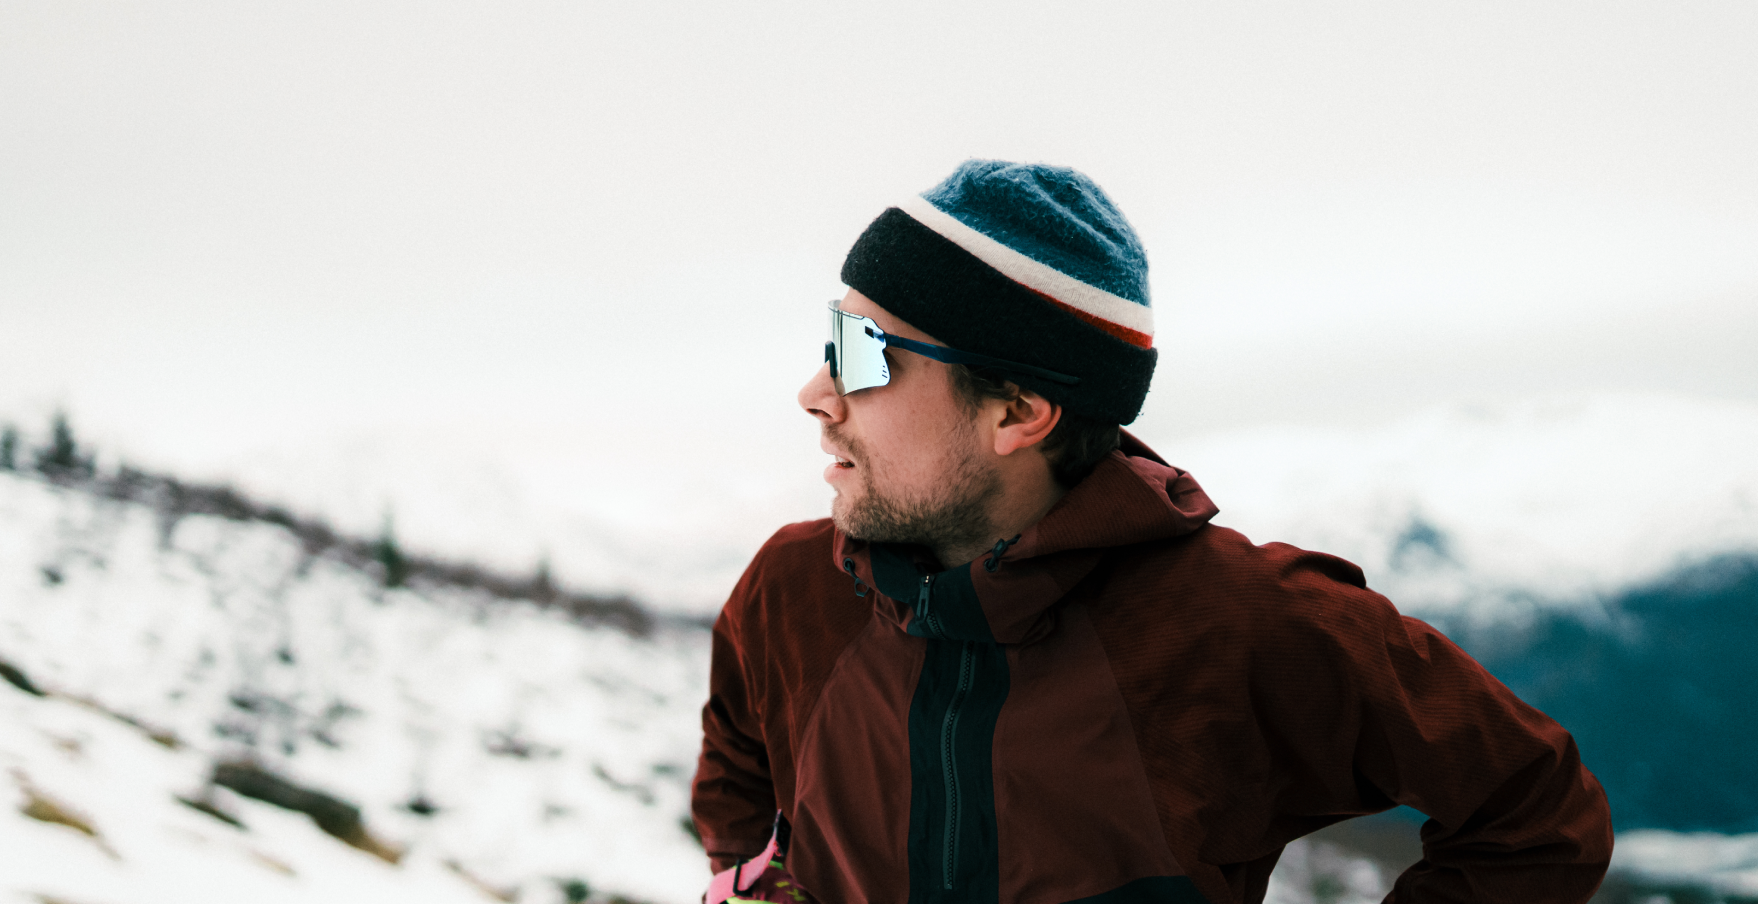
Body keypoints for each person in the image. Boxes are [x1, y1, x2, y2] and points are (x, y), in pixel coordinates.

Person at [689, 160, 1613, 904]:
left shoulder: (1239, 623)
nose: (815, 393)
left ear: (1017, 412)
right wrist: (754, 878)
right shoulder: (794, 587)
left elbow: (1534, 809)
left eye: (861, 353)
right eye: (830, 339)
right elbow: (740, 747)